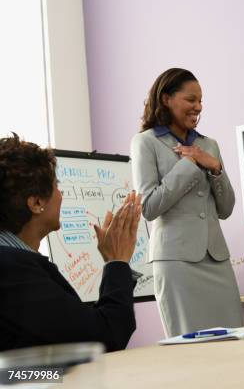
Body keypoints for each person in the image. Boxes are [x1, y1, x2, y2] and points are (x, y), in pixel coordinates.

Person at [0, 134, 140, 352]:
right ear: (37, 203)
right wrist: (117, 261)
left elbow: (76, 327)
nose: (61, 194)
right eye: (57, 185)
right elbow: (107, 335)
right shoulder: (11, 269)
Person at [130, 68, 243, 337]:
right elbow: (149, 207)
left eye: (200, 101)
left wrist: (214, 167)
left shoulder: (209, 145)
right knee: (190, 347)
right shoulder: (145, 143)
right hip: (176, 263)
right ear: (166, 98)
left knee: (234, 342)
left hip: (216, 259)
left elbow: (226, 209)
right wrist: (190, 165)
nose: (198, 107)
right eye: (191, 100)